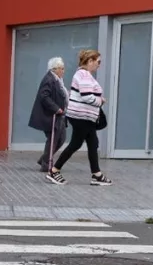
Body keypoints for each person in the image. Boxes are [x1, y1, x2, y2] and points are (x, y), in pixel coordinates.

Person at [47, 49, 113, 186]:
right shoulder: (83, 75)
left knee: (93, 144)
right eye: (98, 62)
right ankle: (54, 170)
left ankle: (97, 174)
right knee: (76, 144)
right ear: (90, 61)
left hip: (84, 116)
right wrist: (100, 101)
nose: (99, 65)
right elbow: (87, 96)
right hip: (81, 117)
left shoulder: (84, 75)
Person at [28, 57, 68, 173]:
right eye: (62, 68)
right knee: (53, 139)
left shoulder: (57, 79)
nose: (63, 71)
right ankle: (46, 164)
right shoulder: (49, 79)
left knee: (61, 139)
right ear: (54, 69)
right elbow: (44, 96)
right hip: (52, 115)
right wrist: (56, 109)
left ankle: (44, 159)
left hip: (59, 115)